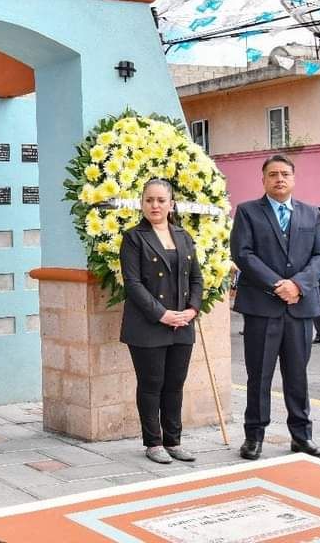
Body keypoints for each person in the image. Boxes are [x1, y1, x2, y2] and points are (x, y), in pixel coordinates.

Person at [231, 154, 320, 461]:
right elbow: (243, 254)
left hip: (300, 307)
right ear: (263, 180)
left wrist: (298, 284)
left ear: (293, 178)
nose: (279, 179)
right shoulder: (248, 212)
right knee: (258, 375)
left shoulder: (311, 214)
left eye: (285, 173)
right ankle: (254, 436)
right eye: (272, 174)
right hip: (262, 307)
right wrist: (277, 284)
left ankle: (302, 436)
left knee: (297, 375)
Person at [118, 179, 202, 465]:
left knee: (175, 384)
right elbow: (133, 283)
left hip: (182, 323)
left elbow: (196, 278)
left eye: (161, 200)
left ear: (171, 204)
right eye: (149, 200)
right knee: (151, 384)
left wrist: (192, 310)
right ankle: (153, 443)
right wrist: (162, 314)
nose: (155, 205)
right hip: (148, 324)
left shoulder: (183, 236)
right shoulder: (133, 237)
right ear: (142, 203)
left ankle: (173, 441)